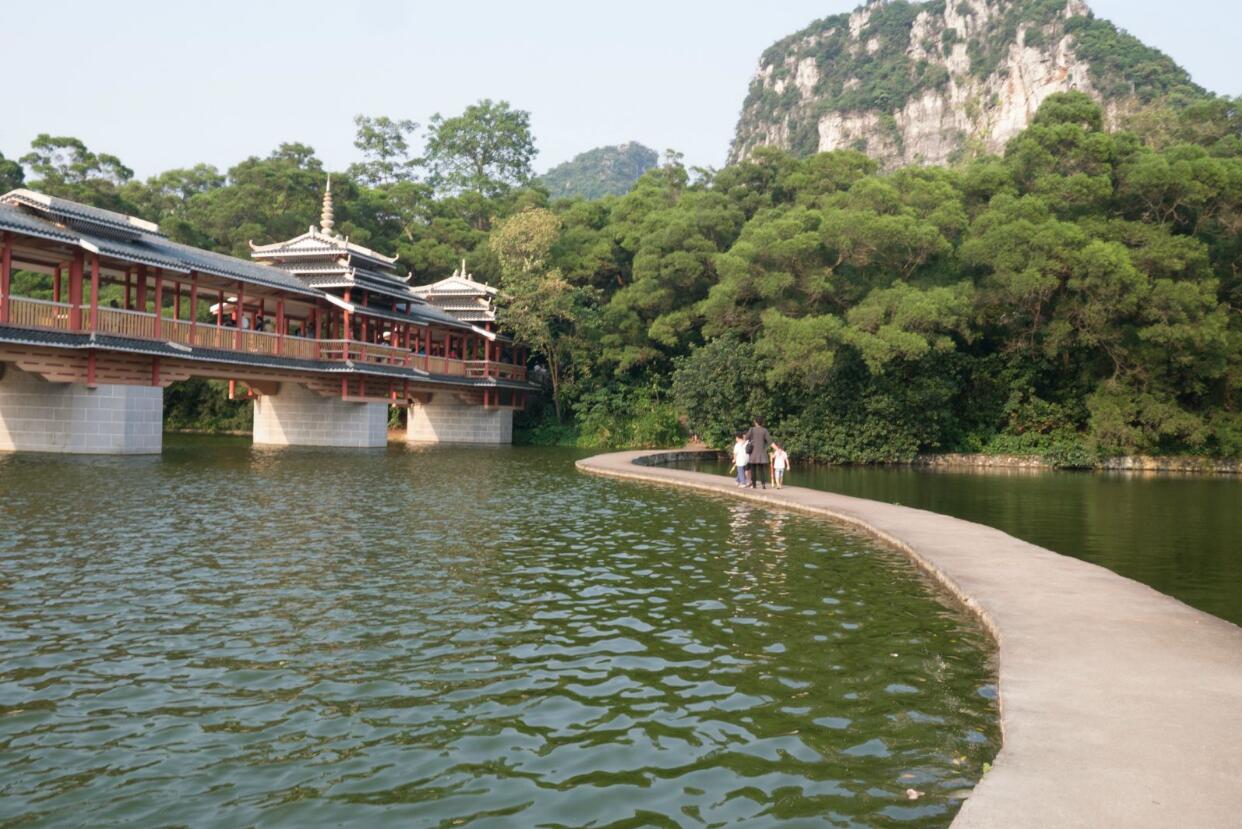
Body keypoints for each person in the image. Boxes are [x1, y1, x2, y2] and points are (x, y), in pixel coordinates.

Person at [746, 417, 772, 489]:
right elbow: (770, 441)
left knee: (753, 469)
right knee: (761, 470)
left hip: (753, 453)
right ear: (762, 423)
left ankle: (754, 485)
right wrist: (777, 448)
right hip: (761, 454)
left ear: (755, 422)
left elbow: (746, 437)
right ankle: (763, 485)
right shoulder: (765, 430)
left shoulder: (752, 429)